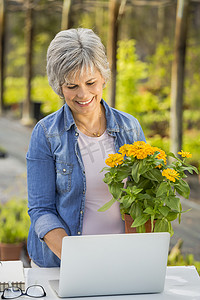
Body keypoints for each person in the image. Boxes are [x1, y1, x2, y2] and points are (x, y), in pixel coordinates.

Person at [26, 28, 146, 267]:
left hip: (119, 260)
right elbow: (41, 210)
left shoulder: (130, 128)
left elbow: (142, 199)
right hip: (63, 264)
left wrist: (135, 254)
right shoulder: (47, 133)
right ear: (59, 86)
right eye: (71, 86)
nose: (83, 94)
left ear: (103, 77)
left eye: (90, 82)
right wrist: (77, 262)